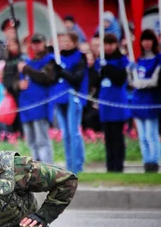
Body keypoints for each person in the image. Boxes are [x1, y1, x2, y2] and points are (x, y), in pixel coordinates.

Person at [51, 32, 88, 174]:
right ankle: (69, 163)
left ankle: (78, 164)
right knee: (66, 134)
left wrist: (63, 71)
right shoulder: (58, 58)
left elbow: (76, 79)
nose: (64, 43)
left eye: (67, 41)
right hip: (60, 100)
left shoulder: (80, 57)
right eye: (62, 41)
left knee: (74, 133)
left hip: (73, 99)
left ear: (74, 42)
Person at [16, 33, 57, 164]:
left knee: (42, 141)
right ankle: (37, 170)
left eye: (39, 42)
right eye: (34, 43)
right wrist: (18, 84)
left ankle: (47, 167)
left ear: (44, 43)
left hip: (40, 106)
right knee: (31, 142)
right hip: (26, 107)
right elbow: (15, 81)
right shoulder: (28, 62)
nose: (36, 45)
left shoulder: (50, 60)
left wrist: (26, 69)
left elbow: (45, 77)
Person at [128, 29, 160, 173]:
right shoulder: (138, 60)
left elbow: (154, 81)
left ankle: (155, 161)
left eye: (149, 40)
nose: (146, 43)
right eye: (144, 40)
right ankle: (146, 162)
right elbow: (131, 81)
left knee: (151, 135)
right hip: (138, 101)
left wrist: (138, 83)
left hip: (151, 101)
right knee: (142, 136)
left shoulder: (158, 59)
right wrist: (130, 72)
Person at [97, 33, 129, 172]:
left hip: (117, 104)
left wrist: (108, 68)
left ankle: (118, 165)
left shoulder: (122, 60)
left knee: (117, 136)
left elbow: (120, 79)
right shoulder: (101, 60)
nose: (109, 47)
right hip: (105, 105)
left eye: (111, 44)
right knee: (108, 138)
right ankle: (110, 166)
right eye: (106, 44)